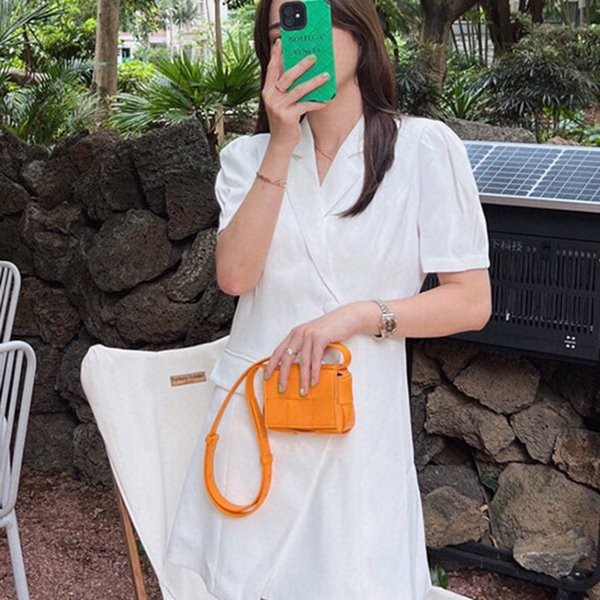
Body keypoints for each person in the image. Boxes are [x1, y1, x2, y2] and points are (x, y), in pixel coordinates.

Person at [167, 0, 492, 598]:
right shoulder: (246, 158)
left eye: (311, 21)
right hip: (256, 420)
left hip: (358, 429)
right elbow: (235, 276)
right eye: (278, 34)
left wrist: (363, 314)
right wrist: (281, 141)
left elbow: (470, 301)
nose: (296, 42)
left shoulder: (423, 149)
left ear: (360, 34)